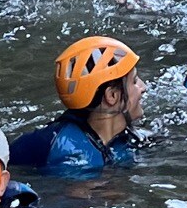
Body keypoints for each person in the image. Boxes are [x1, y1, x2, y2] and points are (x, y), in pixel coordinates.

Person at [10, 38, 145, 175]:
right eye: (134, 81)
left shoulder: (129, 139)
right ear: (112, 96)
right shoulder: (71, 157)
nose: (143, 87)